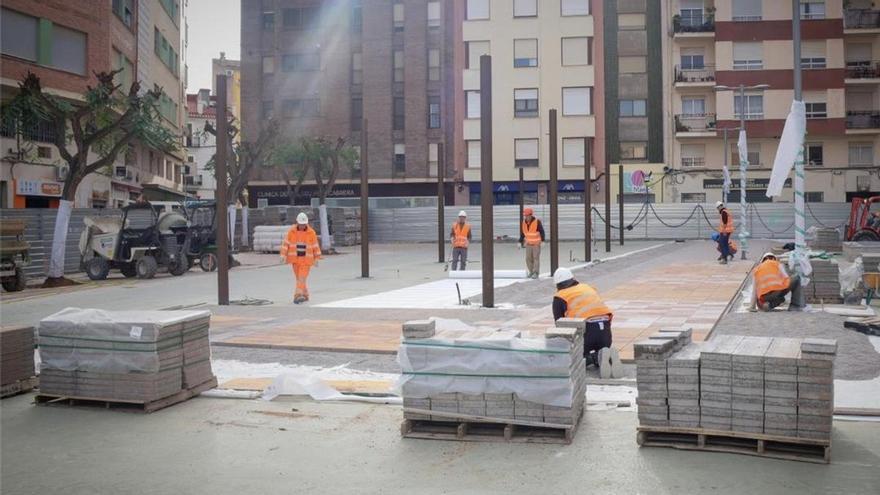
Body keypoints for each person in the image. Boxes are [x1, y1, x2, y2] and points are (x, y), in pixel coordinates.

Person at [552, 267, 622, 379]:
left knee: (573, 358)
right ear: (573, 278)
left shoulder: (560, 296)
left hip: (587, 333)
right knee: (602, 351)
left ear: (557, 285)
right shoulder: (588, 287)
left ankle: (592, 358)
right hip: (605, 331)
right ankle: (604, 355)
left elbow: (560, 325)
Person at [281, 212, 321, 304]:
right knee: (299, 278)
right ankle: (305, 294)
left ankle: (297, 295)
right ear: (297, 223)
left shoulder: (311, 233)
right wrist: (283, 255)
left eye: (304, 224)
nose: (302, 226)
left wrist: (317, 258)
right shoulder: (292, 232)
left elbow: (315, 246)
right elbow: (286, 244)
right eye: (301, 224)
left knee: (301, 278)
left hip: (306, 260)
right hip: (295, 259)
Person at [520, 207, 545, 279]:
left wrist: (543, 240)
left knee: (535, 258)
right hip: (528, 244)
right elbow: (523, 233)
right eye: (525, 215)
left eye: (527, 215)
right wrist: (520, 241)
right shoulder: (524, 222)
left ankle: (536, 273)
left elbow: (542, 231)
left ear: (531, 215)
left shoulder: (537, 222)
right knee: (528, 259)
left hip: (536, 244)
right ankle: (531, 272)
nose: (526, 217)